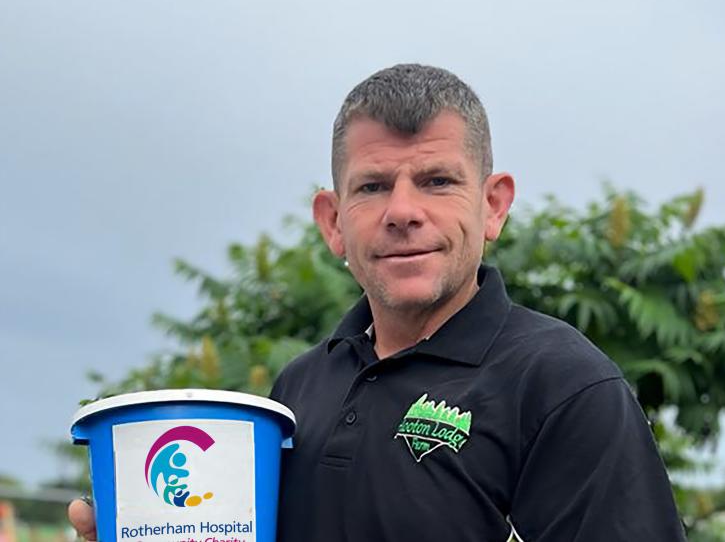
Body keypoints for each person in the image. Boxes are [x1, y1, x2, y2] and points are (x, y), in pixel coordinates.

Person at [69, 64, 686, 541]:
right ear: (333, 221)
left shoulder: (564, 387)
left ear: (493, 205)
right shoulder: (297, 390)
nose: (403, 213)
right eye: (372, 186)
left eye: (438, 181)